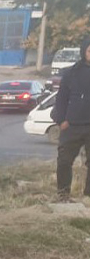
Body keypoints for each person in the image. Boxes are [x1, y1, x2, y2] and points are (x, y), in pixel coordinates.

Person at [52, 39, 90, 202]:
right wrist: (61, 120)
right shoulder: (72, 73)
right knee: (64, 161)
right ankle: (63, 195)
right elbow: (61, 99)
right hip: (72, 126)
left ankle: (88, 197)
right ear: (84, 51)